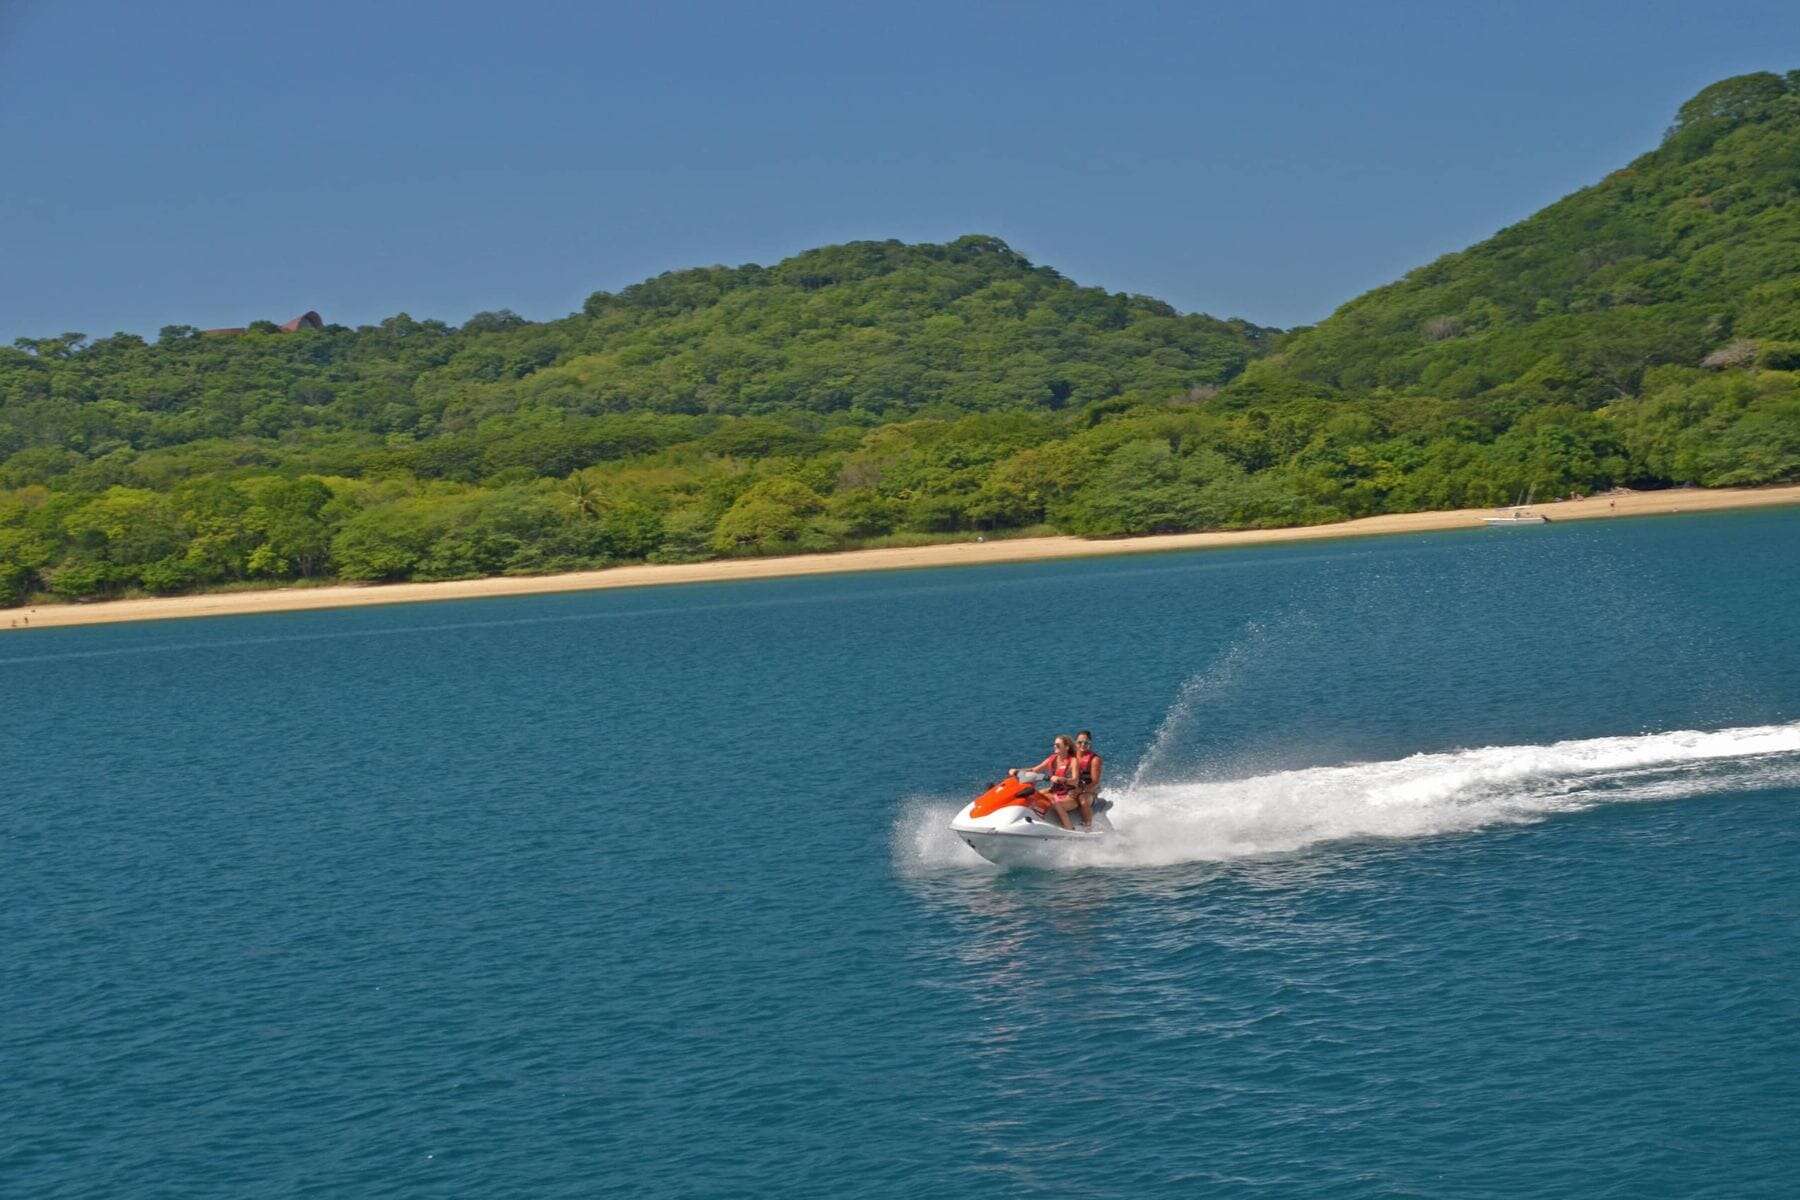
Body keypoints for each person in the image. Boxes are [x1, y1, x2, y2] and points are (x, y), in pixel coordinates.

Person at [1010, 735, 1081, 830]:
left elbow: (1075, 781)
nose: (1055, 746)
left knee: (1056, 803)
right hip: (1055, 792)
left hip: (1070, 796)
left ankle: (1070, 829)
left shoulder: (1073, 761)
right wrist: (1016, 771)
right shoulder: (1052, 759)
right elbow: (1034, 770)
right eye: (1054, 745)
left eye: (1058, 745)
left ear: (1067, 747)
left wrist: (1062, 779)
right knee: (1034, 795)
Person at [1070, 731, 1103, 831]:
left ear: (1090, 744)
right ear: (1075, 743)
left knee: (1083, 800)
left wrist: (1080, 790)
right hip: (1073, 788)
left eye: (1086, 743)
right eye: (1080, 742)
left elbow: (1095, 782)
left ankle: (1088, 827)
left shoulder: (1095, 759)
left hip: (1090, 791)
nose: (1083, 745)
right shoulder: (1071, 756)